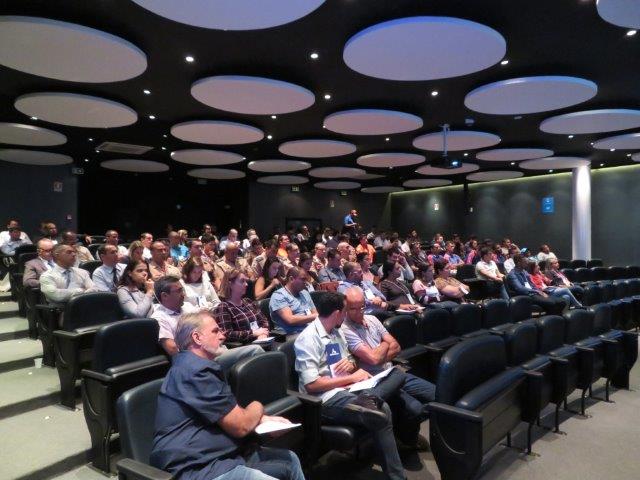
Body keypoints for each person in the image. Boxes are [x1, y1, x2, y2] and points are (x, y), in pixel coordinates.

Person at [151, 310, 304, 480]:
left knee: (289, 460)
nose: (222, 336)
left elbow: (230, 414)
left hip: (219, 454)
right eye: (215, 331)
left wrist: (261, 420)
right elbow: (241, 426)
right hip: (194, 467)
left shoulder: (197, 367)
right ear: (197, 338)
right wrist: (258, 407)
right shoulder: (194, 371)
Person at [294, 291, 405, 480]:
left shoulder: (336, 331)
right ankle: (397, 477)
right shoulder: (308, 338)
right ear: (338, 313)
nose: (346, 316)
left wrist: (352, 365)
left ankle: (371, 397)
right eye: (345, 311)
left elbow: (350, 361)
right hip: (325, 399)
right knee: (382, 410)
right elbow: (312, 385)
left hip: (349, 390)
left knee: (398, 373)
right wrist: (351, 378)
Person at [342, 287, 434, 449]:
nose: (359, 312)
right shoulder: (345, 328)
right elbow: (373, 359)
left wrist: (379, 353)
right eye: (353, 309)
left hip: (392, 371)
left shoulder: (372, 319)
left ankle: (404, 430)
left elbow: (396, 347)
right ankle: (407, 439)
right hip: (376, 381)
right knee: (416, 409)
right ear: (345, 308)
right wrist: (385, 344)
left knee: (436, 394)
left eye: (362, 307)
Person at [151, 276, 263, 368]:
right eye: (179, 291)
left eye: (182, 290)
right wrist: (205, 345)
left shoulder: (188, 306)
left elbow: (209, 325)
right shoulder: (159, 318)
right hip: (197, 361)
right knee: (255, 351)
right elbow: (172, 349)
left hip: (216, 350)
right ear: (165, 296)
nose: (183, 294)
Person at [214, 269, 271, 343]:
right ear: (230, 284)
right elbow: (227, 334)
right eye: (242, 281)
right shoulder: (223, 307)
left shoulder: (248, 302)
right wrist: (253, 333)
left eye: (245, 281)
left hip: (262, 339)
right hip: (244, 345)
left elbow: (264, 320)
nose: (246, 284)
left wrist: (263, 334)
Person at [268, 267, 317, 336]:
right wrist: (315, 317)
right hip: (292, 335)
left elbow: (315, 313)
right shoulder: (279, 295)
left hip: (309, 330)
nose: (306, 283)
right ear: (291, 279)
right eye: (303, 279)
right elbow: (290, 320)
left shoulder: (304, 293)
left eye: (306, 280)